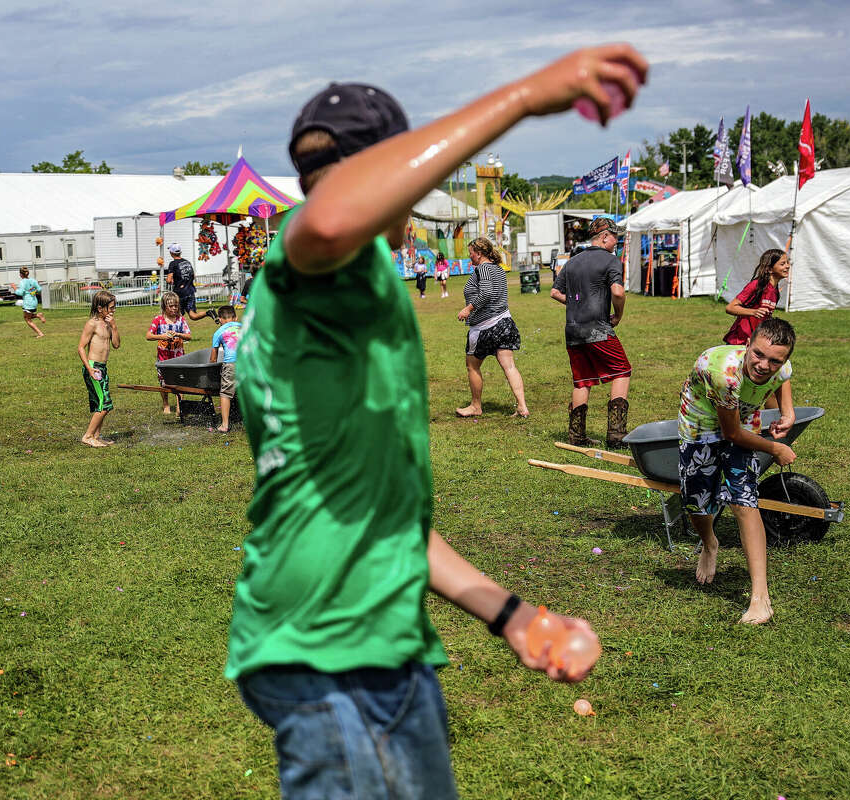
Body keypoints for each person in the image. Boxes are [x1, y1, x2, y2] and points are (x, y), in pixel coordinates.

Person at [228, 44, 646, 799]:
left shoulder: (355, 304)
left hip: (369, 646)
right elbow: (328, 220)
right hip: (333, 654)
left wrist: (512, 616)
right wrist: (523, 96)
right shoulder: (308, 269)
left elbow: (382, 519)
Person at [677, 317, 797, 625]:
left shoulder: (781, 368)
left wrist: (788, 412)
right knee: (697, 503)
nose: (763, 365)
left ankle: (761, 598)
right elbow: (731, 434)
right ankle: (709, 543)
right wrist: (775, 448)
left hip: (742, 418)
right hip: (700, 421)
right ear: (747, 345)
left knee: (744, 501)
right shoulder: (724, 375)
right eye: (758, 354)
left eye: (774, 360)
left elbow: (782, 379)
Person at [550, 216, 631, 447]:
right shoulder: (611, 260)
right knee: (622, 371)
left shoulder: (572, 261)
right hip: (598, 328)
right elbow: (617, 292)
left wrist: (577, 304)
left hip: (573, 330)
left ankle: (576, 436)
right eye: (615, 237)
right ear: (604, 236)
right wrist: (619, 314)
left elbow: (554, 293)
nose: (617, 241)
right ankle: (616, 435)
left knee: (582, 381)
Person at [456, 236, 529, 418]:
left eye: (471, 253)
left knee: (472, 366)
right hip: (505, 322)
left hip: (484, 327)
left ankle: (475, 406)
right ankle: (522, 407)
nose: (469, 257)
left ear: (479, 254)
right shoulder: (498, 269)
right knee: (509, 366)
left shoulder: (483, 269)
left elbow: (487, 293)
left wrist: (468, 308)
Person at [78, 290, 120, 447]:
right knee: (104, 404)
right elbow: (81, 348)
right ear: (100, 308)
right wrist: (89, 369)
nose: (113, 310)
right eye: (111, 307)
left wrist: (114, 327)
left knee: (102, 404)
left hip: (103, 367)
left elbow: (116, 345)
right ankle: (88, 436)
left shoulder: (108, 324)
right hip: (94, 368)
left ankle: (96, 436)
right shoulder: (92, 324)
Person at [723, 248, 789, 346]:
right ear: (769, 269)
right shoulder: (756, 285)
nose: (787, 266)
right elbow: (730, 307)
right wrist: (753, 312)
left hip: (755, 341)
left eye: (787, 262)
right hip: (739, 340)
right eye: (782, 264)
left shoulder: (775, 291)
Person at [146, 292, 193, 415]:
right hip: (163, 358)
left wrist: (178, 334)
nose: (174, 309)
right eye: (171, 306)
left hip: (179, 357)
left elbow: (189, 336)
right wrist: (162, 336)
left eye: (176, 306)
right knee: (163, 382)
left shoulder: (181, 319)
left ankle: (179, 405)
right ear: (164, 306)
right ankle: (166, 404)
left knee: (180, 381)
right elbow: (148, 336)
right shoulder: (158, 319)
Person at [209, 305, 242, 433]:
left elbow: (213, 358)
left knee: (226, 393)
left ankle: (225, 424)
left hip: (231, 363)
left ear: (220, 319)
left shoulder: (219, 332)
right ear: (236, 317)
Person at [12, 267, 47, 338]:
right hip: (34, 301)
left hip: (28, 302)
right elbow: (39, 289)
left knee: (27, 319)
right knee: (27, 317)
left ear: (21, 275)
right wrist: (32, 291)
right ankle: (38, 316)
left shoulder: (22, 282)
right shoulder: (33, 280)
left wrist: (14, 288)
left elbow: (20, 293)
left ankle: (40, 333)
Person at [164, 243, 197, 313]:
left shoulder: (173, 264)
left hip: (180, 292)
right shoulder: (187, 262)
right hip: (191, 291)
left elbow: (169, 280)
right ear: (180, 252)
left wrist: (170, 281)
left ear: (171, 253)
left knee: (177, 313)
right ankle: (207, 313)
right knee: (193, 315)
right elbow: (193, 276)